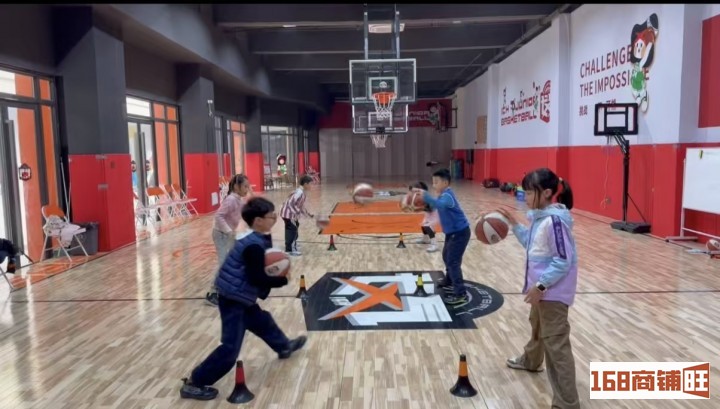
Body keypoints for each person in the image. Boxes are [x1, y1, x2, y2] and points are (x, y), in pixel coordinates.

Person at [180, 197, 307, 401]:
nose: (275, 218)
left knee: (262, 321)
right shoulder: (252, 246)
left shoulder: (259, 237)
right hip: (233, 299)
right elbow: (257, 277)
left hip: (240, 296)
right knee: (230, 348)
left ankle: (283, 346)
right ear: (258, 221)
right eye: (271, 216)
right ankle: (195, 382)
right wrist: (281, 280)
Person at [496, 167, 580, 409]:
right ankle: (531, 361)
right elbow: (532, 246)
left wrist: (540, 286)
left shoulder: (554, 222)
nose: (525, 196)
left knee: (557, 347)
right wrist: (514, 224)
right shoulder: (540, 218)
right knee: (536, 326)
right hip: (542, 291)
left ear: (547, 193)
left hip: (551, 293)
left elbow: (563, 260)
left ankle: (567, 404)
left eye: (530, 192)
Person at [412, 168, 470, 305]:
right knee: (446, 256)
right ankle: (449, 279)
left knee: (453, 261)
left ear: (445, 183)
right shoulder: (442, 195)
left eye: (436, 182)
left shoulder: (447, 196)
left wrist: (426, 196)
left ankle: (461, 294)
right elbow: (437, 208)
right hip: (452, 233)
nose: (433, 185)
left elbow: (440, 205)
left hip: (460, 233)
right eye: (433, 182)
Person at [206, 174, 252, 306]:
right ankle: (212, 293)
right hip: (220, 235)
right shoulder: (231, 200)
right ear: (236, 187)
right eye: (245, 186)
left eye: (248, 187)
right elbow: (218, 216)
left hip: (228, 235)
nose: (247, 189)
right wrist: (228, 231)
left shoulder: (238, 200)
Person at [279, 175, 314, 256]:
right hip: (289, 215)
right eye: (310, 184)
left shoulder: (301, 192)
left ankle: (291, 244)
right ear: (305, 184)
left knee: (293, 228)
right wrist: (297, 212)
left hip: (289, 215)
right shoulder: (299, 192)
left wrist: (307, 214)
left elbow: (300, 205)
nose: (311, 186)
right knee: (292, 230)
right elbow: (290, 203)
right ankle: (290, 249)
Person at [409, 181, 439, 253]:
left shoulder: (425, 195)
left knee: (428, 226)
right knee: (423, 226)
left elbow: (430, 208)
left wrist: (419, 209)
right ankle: (425, 239)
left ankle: (434, 245)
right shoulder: (418, 195)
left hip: (435, 212)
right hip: (429, 213)